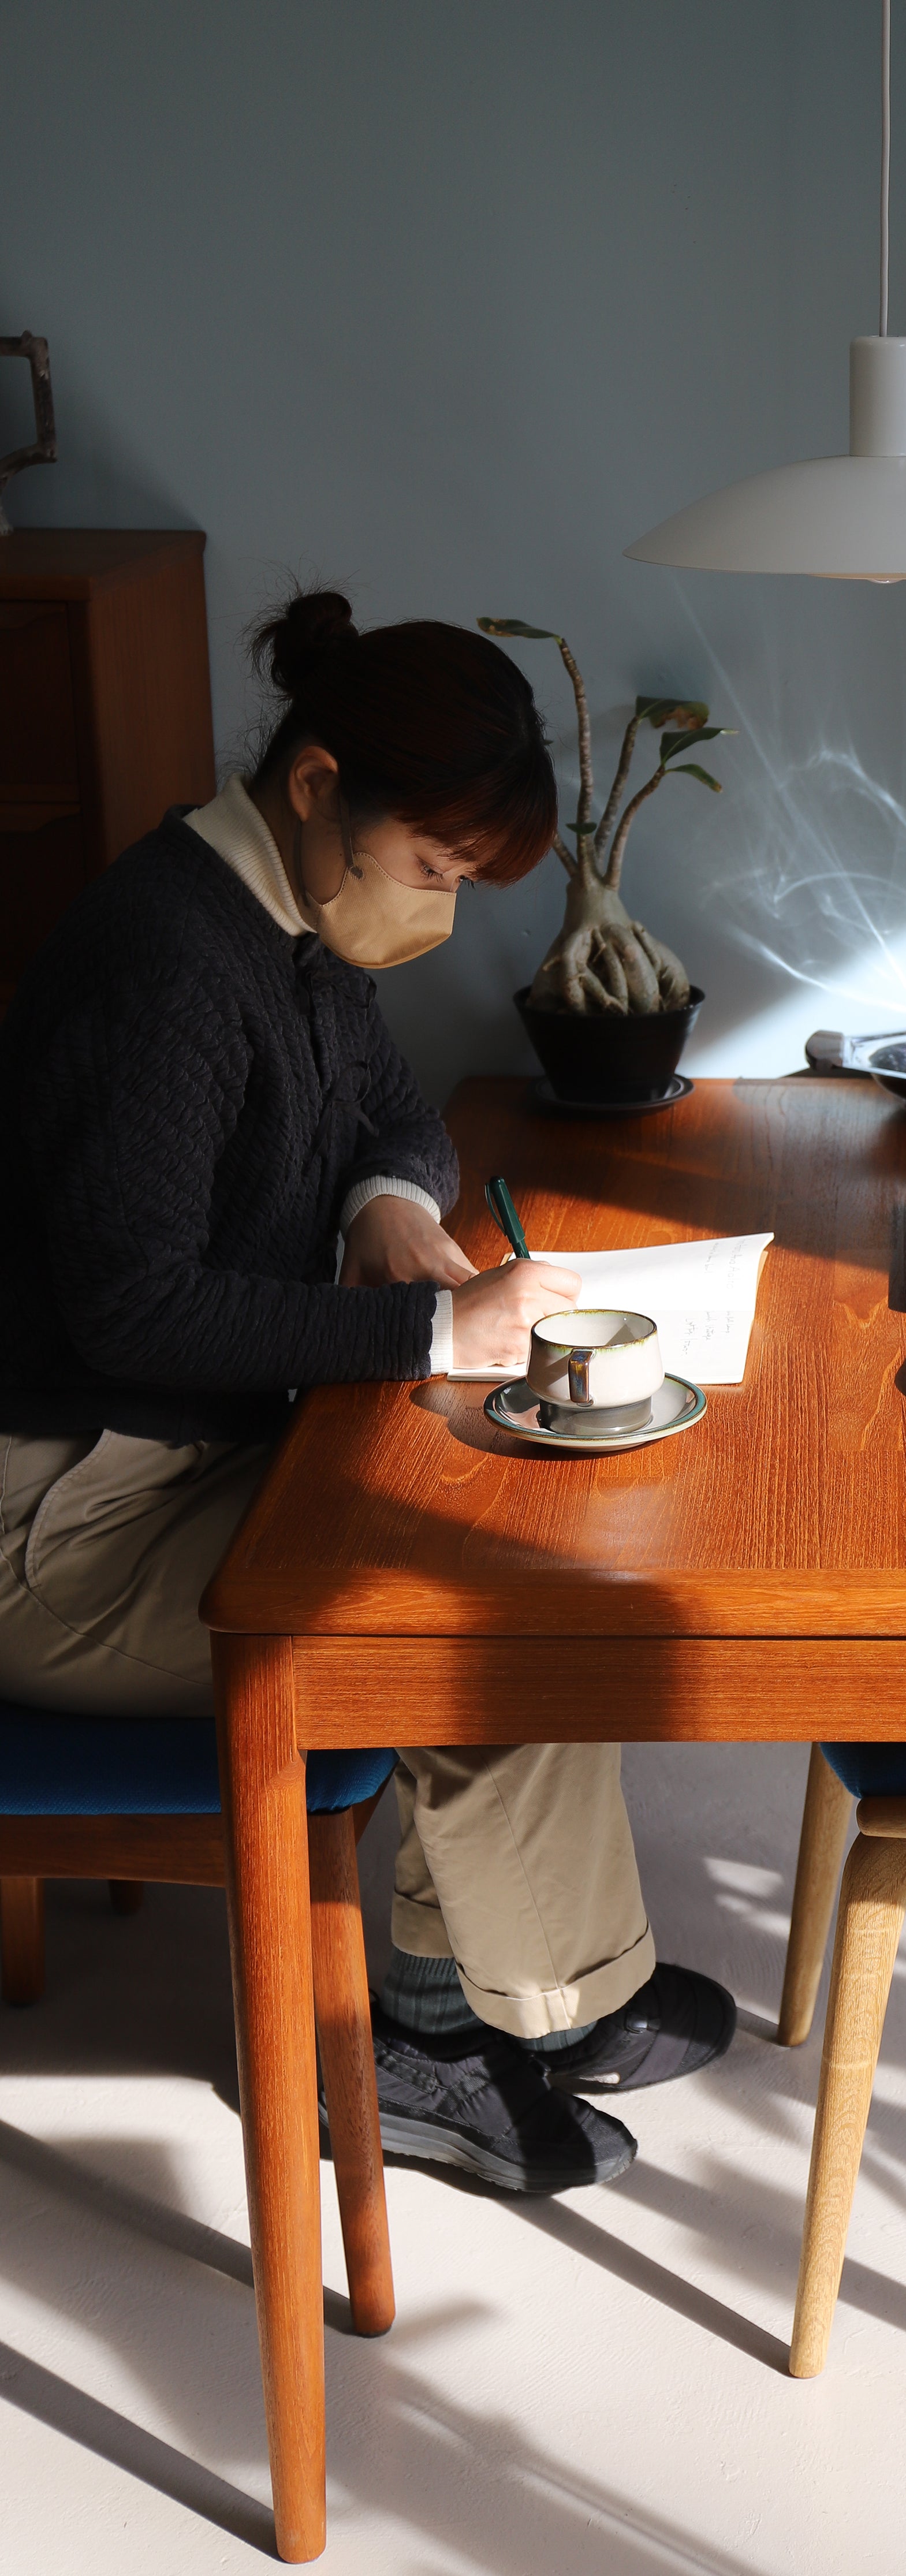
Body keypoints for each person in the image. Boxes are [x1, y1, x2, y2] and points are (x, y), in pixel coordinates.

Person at [0, 589, 734, 2194]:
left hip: (174, 1457)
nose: (443, 912)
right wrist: (430, 1338)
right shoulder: (169, 966)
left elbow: (394, 1115)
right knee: (463, 1622)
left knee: (520, 1536)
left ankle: (526, 2006)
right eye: (435, 869)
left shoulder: (284, 917)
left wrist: (387, 1210)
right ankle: (429, 2043)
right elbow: (134, 1307)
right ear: (323, 785)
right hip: (59, 1528)